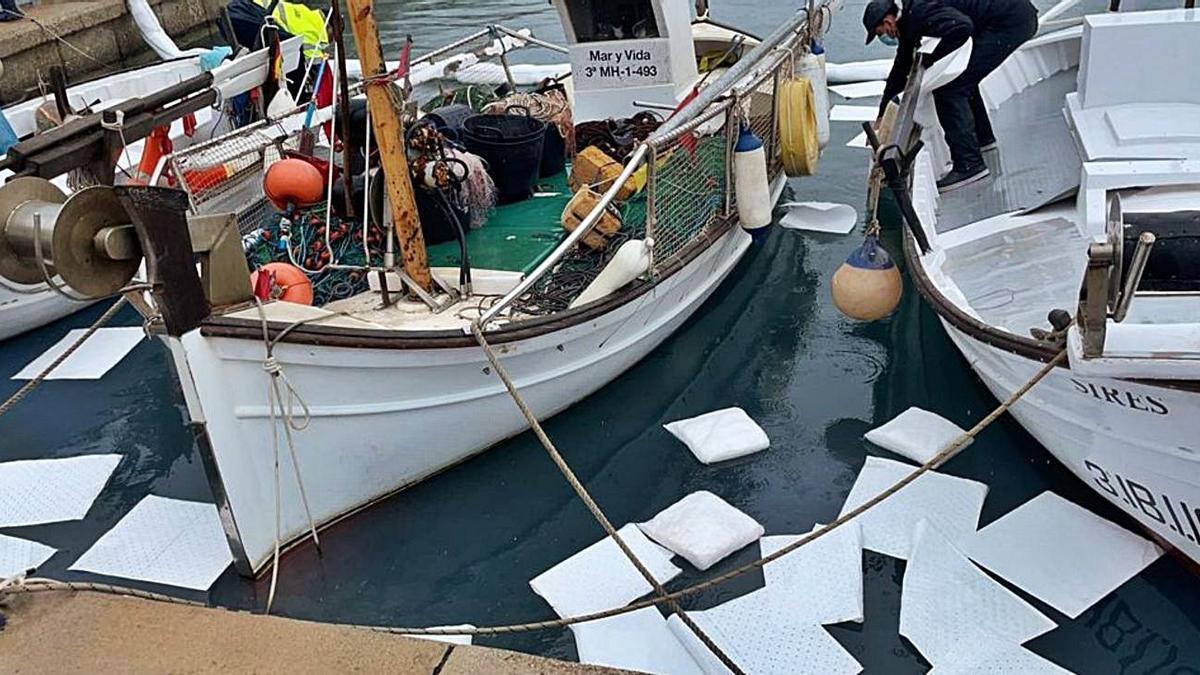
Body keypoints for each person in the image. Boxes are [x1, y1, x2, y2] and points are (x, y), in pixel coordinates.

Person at [863, 0, 1037, 192]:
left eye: (881, 32)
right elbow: (901, 67)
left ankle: (969, 164)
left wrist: (932, 58)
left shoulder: (919, 13)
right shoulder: (909, 16)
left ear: (887, 21)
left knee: (951, 88)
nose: (886, 36)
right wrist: (882, 114)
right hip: (1009, 16)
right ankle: (983, 140)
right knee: (964, 80)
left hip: (1009, 21)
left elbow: (961, 27)